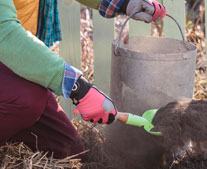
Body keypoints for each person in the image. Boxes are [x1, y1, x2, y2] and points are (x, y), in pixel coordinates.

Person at [0, 0, 166, 159]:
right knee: (29, 99)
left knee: (70, 152)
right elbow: (3, 31)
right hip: (7, 47)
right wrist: (77, 88)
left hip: (14, 58)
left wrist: (124, 2)